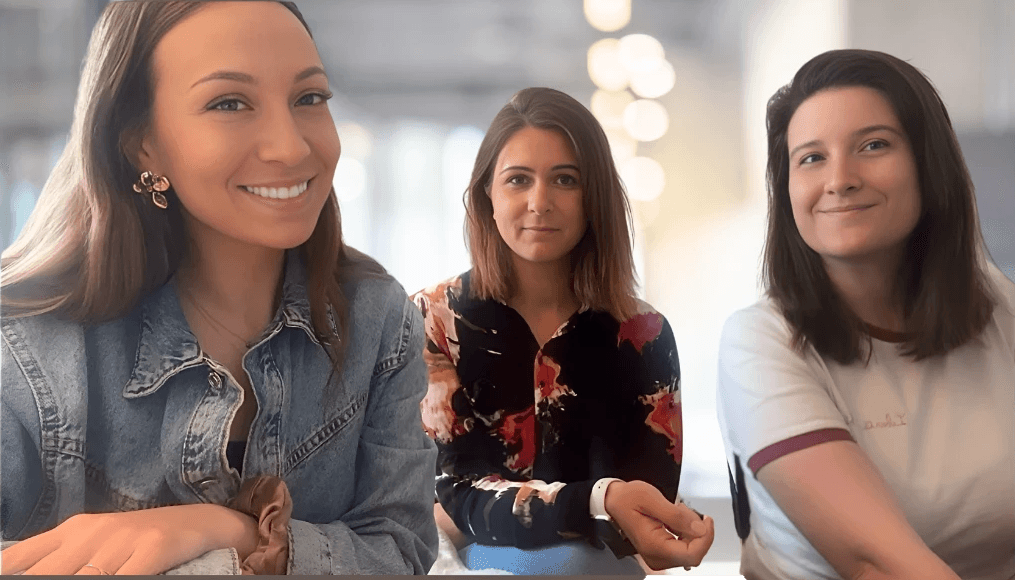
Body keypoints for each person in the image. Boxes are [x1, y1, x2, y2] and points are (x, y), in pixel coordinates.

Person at [0, 1, 437, 575]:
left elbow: (401, 550)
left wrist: (220, 529)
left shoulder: (380, 323)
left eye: (310, 98)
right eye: (229, 103)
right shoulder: (26, 347)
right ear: (142, 147)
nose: (291, 147)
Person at [716, 49, 1015, 580]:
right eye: (811, 158)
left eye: (873, 145)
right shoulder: (759, 342)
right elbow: (875, 562)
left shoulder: (999, 310)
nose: (841, 179)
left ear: (929, 163)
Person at [412, 87, 715, 575]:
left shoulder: (644, 334)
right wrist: (599, 502)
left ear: (594, 198)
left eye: (565, 180)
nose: (540, 202)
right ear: (486, 195)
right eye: (518, 180)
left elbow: (643, 516)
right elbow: (457, 492)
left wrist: (663, 523)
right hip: (475, 561)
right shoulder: (432, 318)